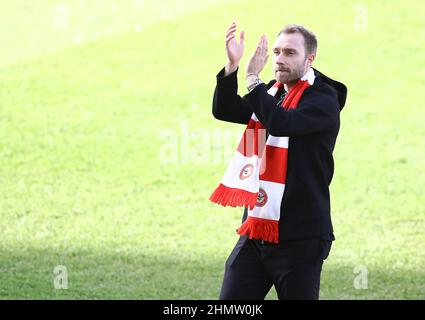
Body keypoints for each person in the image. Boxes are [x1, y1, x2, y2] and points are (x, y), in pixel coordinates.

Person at [209, 22, 347, 300]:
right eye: (277, 51)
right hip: (257, 228)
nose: (280, 59)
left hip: (300, 238)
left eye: (290, 53)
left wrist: (252, 79)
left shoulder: (323, 98)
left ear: (310, 58)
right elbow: (225, 110)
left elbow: (282, 122)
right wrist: (232, 66)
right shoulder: (273, 92)